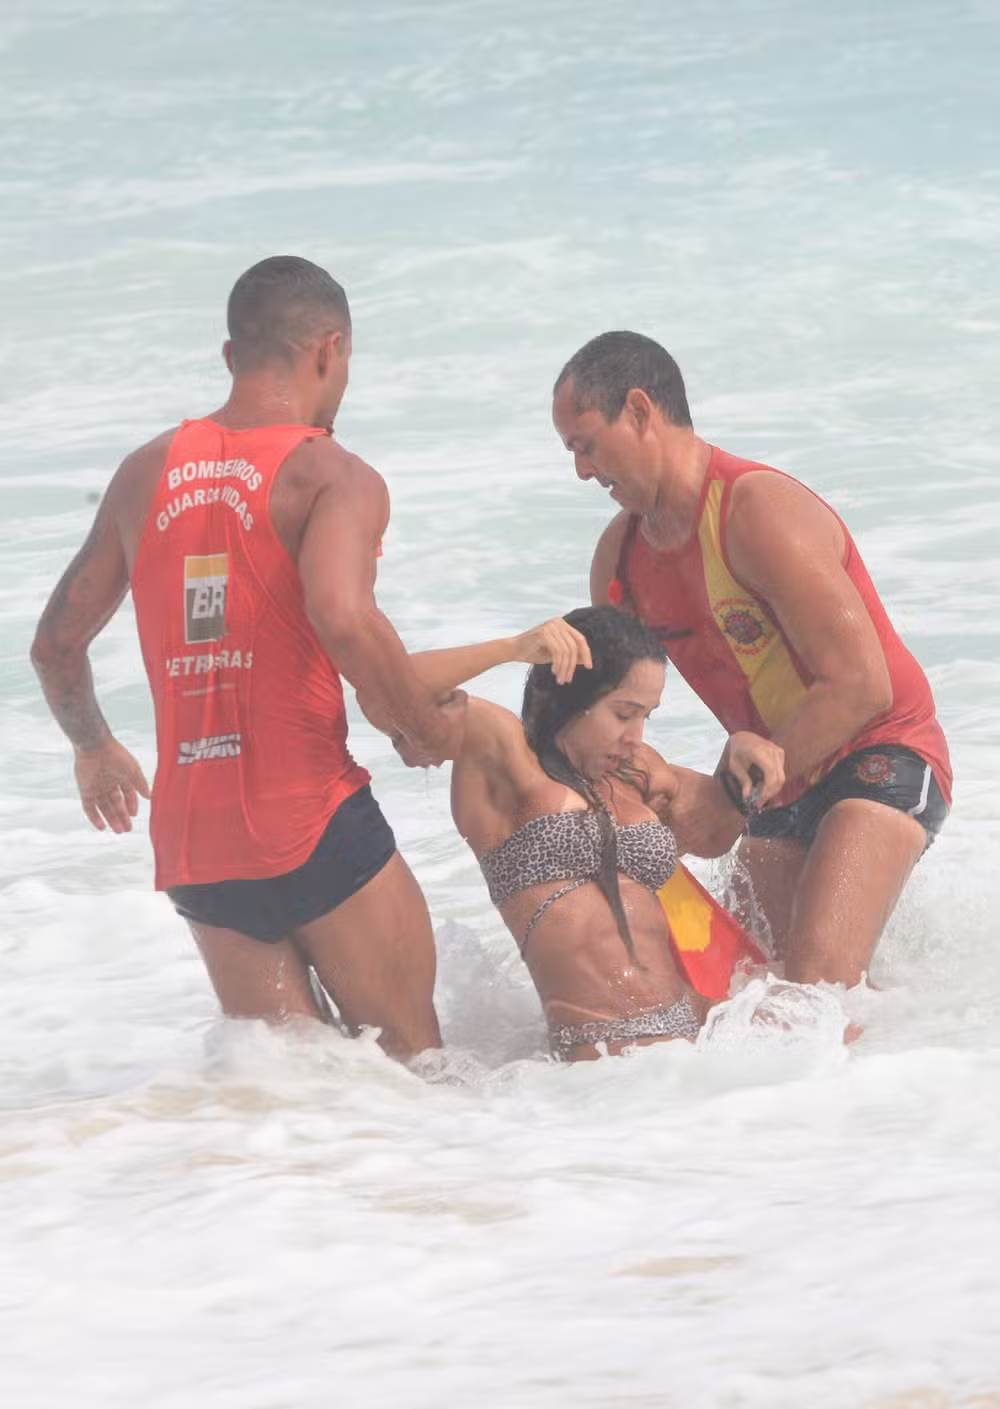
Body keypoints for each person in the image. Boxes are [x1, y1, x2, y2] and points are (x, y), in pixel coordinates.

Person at [30, 255, 465, 1062]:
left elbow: (54, 644)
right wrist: (420, 724)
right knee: (420, 1074)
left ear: (231, 356)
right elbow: (342, 614)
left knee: (296, 1105)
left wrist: (92, 744)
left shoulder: (145, 472)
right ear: (329, 351)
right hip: (312, 822)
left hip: (200, 849)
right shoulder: (329, 473)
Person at [551, 331, 952, 989]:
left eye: (585, 445)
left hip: (882, 750)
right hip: (777, 778)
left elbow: (861, 684)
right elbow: (610, 713)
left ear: (641, 411)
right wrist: (637, 781)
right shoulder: (618, 560)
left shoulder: (757, 510)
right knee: (746, 988)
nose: (582, 472)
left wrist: (727, 799)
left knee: (816, 983)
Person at [386, 605, 785, 1061]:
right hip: (601, 1057)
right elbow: (392, 691)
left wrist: (739, 756)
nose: (635, 735)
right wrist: (513, 648)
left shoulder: (635, 770)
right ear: (572, 695)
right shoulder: (505, 763)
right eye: (623, 713)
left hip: (694, 1027)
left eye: (645, 717)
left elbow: (711, 834)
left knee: (852, 1031)